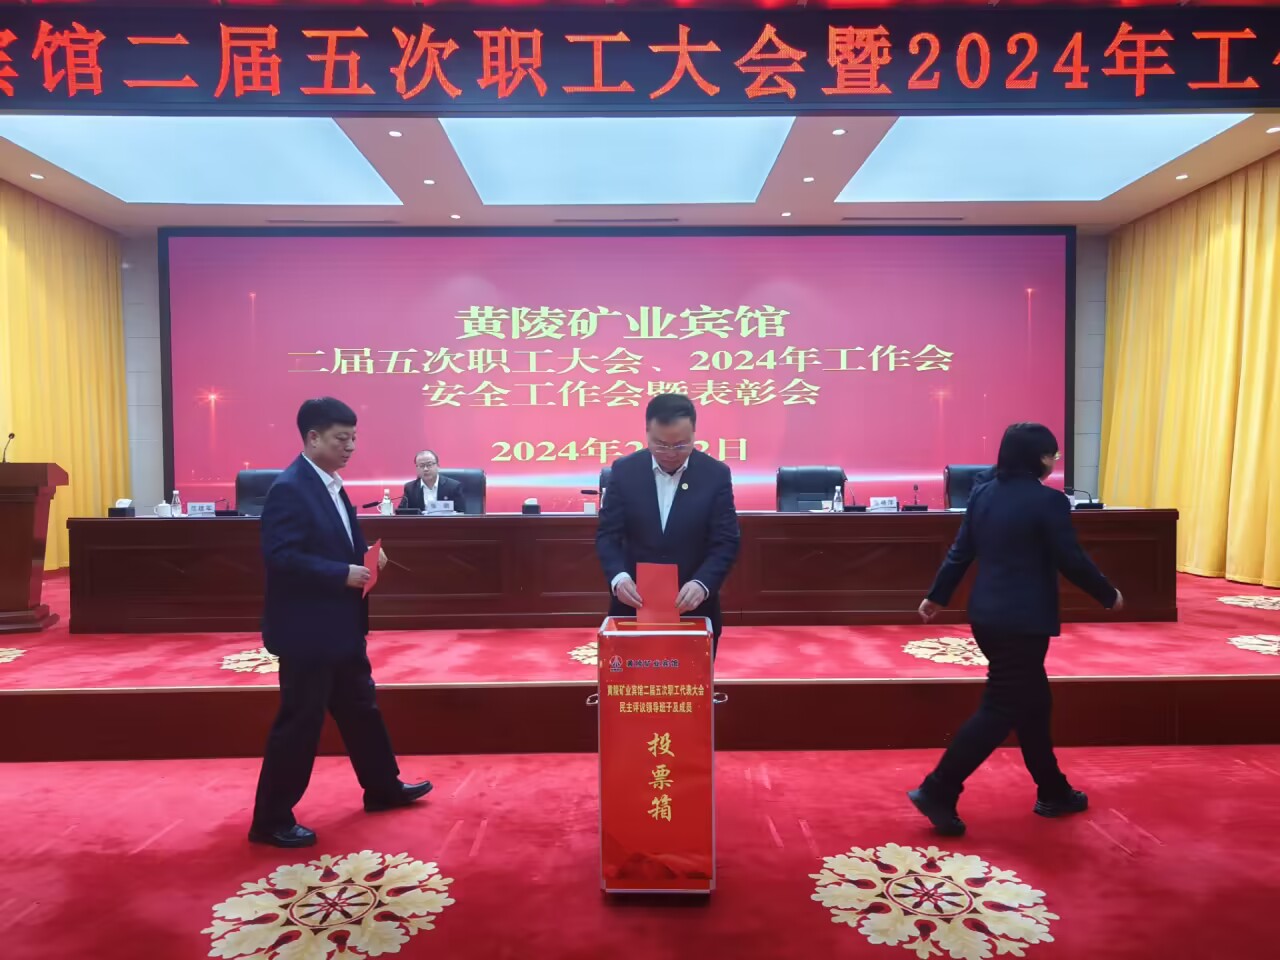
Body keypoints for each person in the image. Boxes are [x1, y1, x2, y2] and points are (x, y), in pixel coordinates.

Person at [908, 422, 1123, 837]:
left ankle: (1053, 790)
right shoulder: (1049, 502)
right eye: (1053, 455)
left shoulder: (983, 493)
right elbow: (1070, 558)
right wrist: (1106, 593)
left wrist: (938, 596)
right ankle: (939, 788)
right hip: (1022, 622)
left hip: (987, 617)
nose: (1054, 462)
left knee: (1034, 701)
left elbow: (961, 551)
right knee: (1002, 707)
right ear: (1040, 458)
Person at [250, 397, 432, 848]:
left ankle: (382, 788)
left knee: (361, 709)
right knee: (301, 722)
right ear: (313, 438)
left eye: (353, 438)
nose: (350, 446)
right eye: (341, 438)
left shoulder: (331, 483)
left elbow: (334, 539)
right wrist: (341, 573)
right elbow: (280, 556)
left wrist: (365, 555)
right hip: (307, 630)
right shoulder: (291, 487)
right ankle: (270, 819)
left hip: (341, 624)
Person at [595, 393, 740, 652]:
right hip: (632, 608)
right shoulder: (624, 471)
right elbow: (608, 535)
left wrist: (702, 583)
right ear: (647, 433)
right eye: (661, 444)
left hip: (694, 609)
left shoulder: (715, 475)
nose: (671, 453)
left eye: (681, 445)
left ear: (694, 433)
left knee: (689, 678)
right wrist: (618, 577)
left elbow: (726, 541)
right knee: (632, 678)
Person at [399, 449, 465, 513]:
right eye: (421, 466)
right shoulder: (410, 488)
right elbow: (401, 513)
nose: (425, 469)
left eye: (429, 465)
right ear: (417, 469)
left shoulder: (453, 486)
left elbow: (461, 513)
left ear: (438, 466)